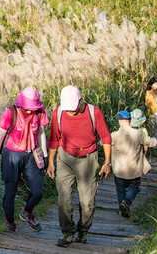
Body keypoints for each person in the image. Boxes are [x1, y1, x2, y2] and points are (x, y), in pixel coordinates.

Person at [47, 85, 112, 247]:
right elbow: (54, 139)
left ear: (80, 101)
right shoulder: (58, 113)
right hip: (65, 157)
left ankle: (83, 230)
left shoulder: (93, 112)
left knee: (87, 201)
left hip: (88, 158)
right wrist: (51, 162)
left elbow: (105, 137)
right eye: (67, 108)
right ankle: (67, 232)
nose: (69, 111)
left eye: (73, 108)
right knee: (64, 198)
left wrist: (107, 162)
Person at [0, 88, 49, 233]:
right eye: (27, 108)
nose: (30, 111)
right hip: (11, 156)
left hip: (31, 155)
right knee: (10, 193)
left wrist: (45, 155)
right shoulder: (10, 113)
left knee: (38, 191)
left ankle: (27, 212)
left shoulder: (39, 112)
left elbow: (41, 132)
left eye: (32, 108)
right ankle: (10, 222)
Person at [111, 110, 157, 219]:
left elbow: (103, 142)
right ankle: (126, 203)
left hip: (119, 169)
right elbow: (151, 142)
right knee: (135, 187)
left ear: (120, 121)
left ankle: (122, 208)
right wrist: (154, 140)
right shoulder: (138, 134)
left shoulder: (114, 135)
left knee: (120, 190)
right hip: (134, 169)